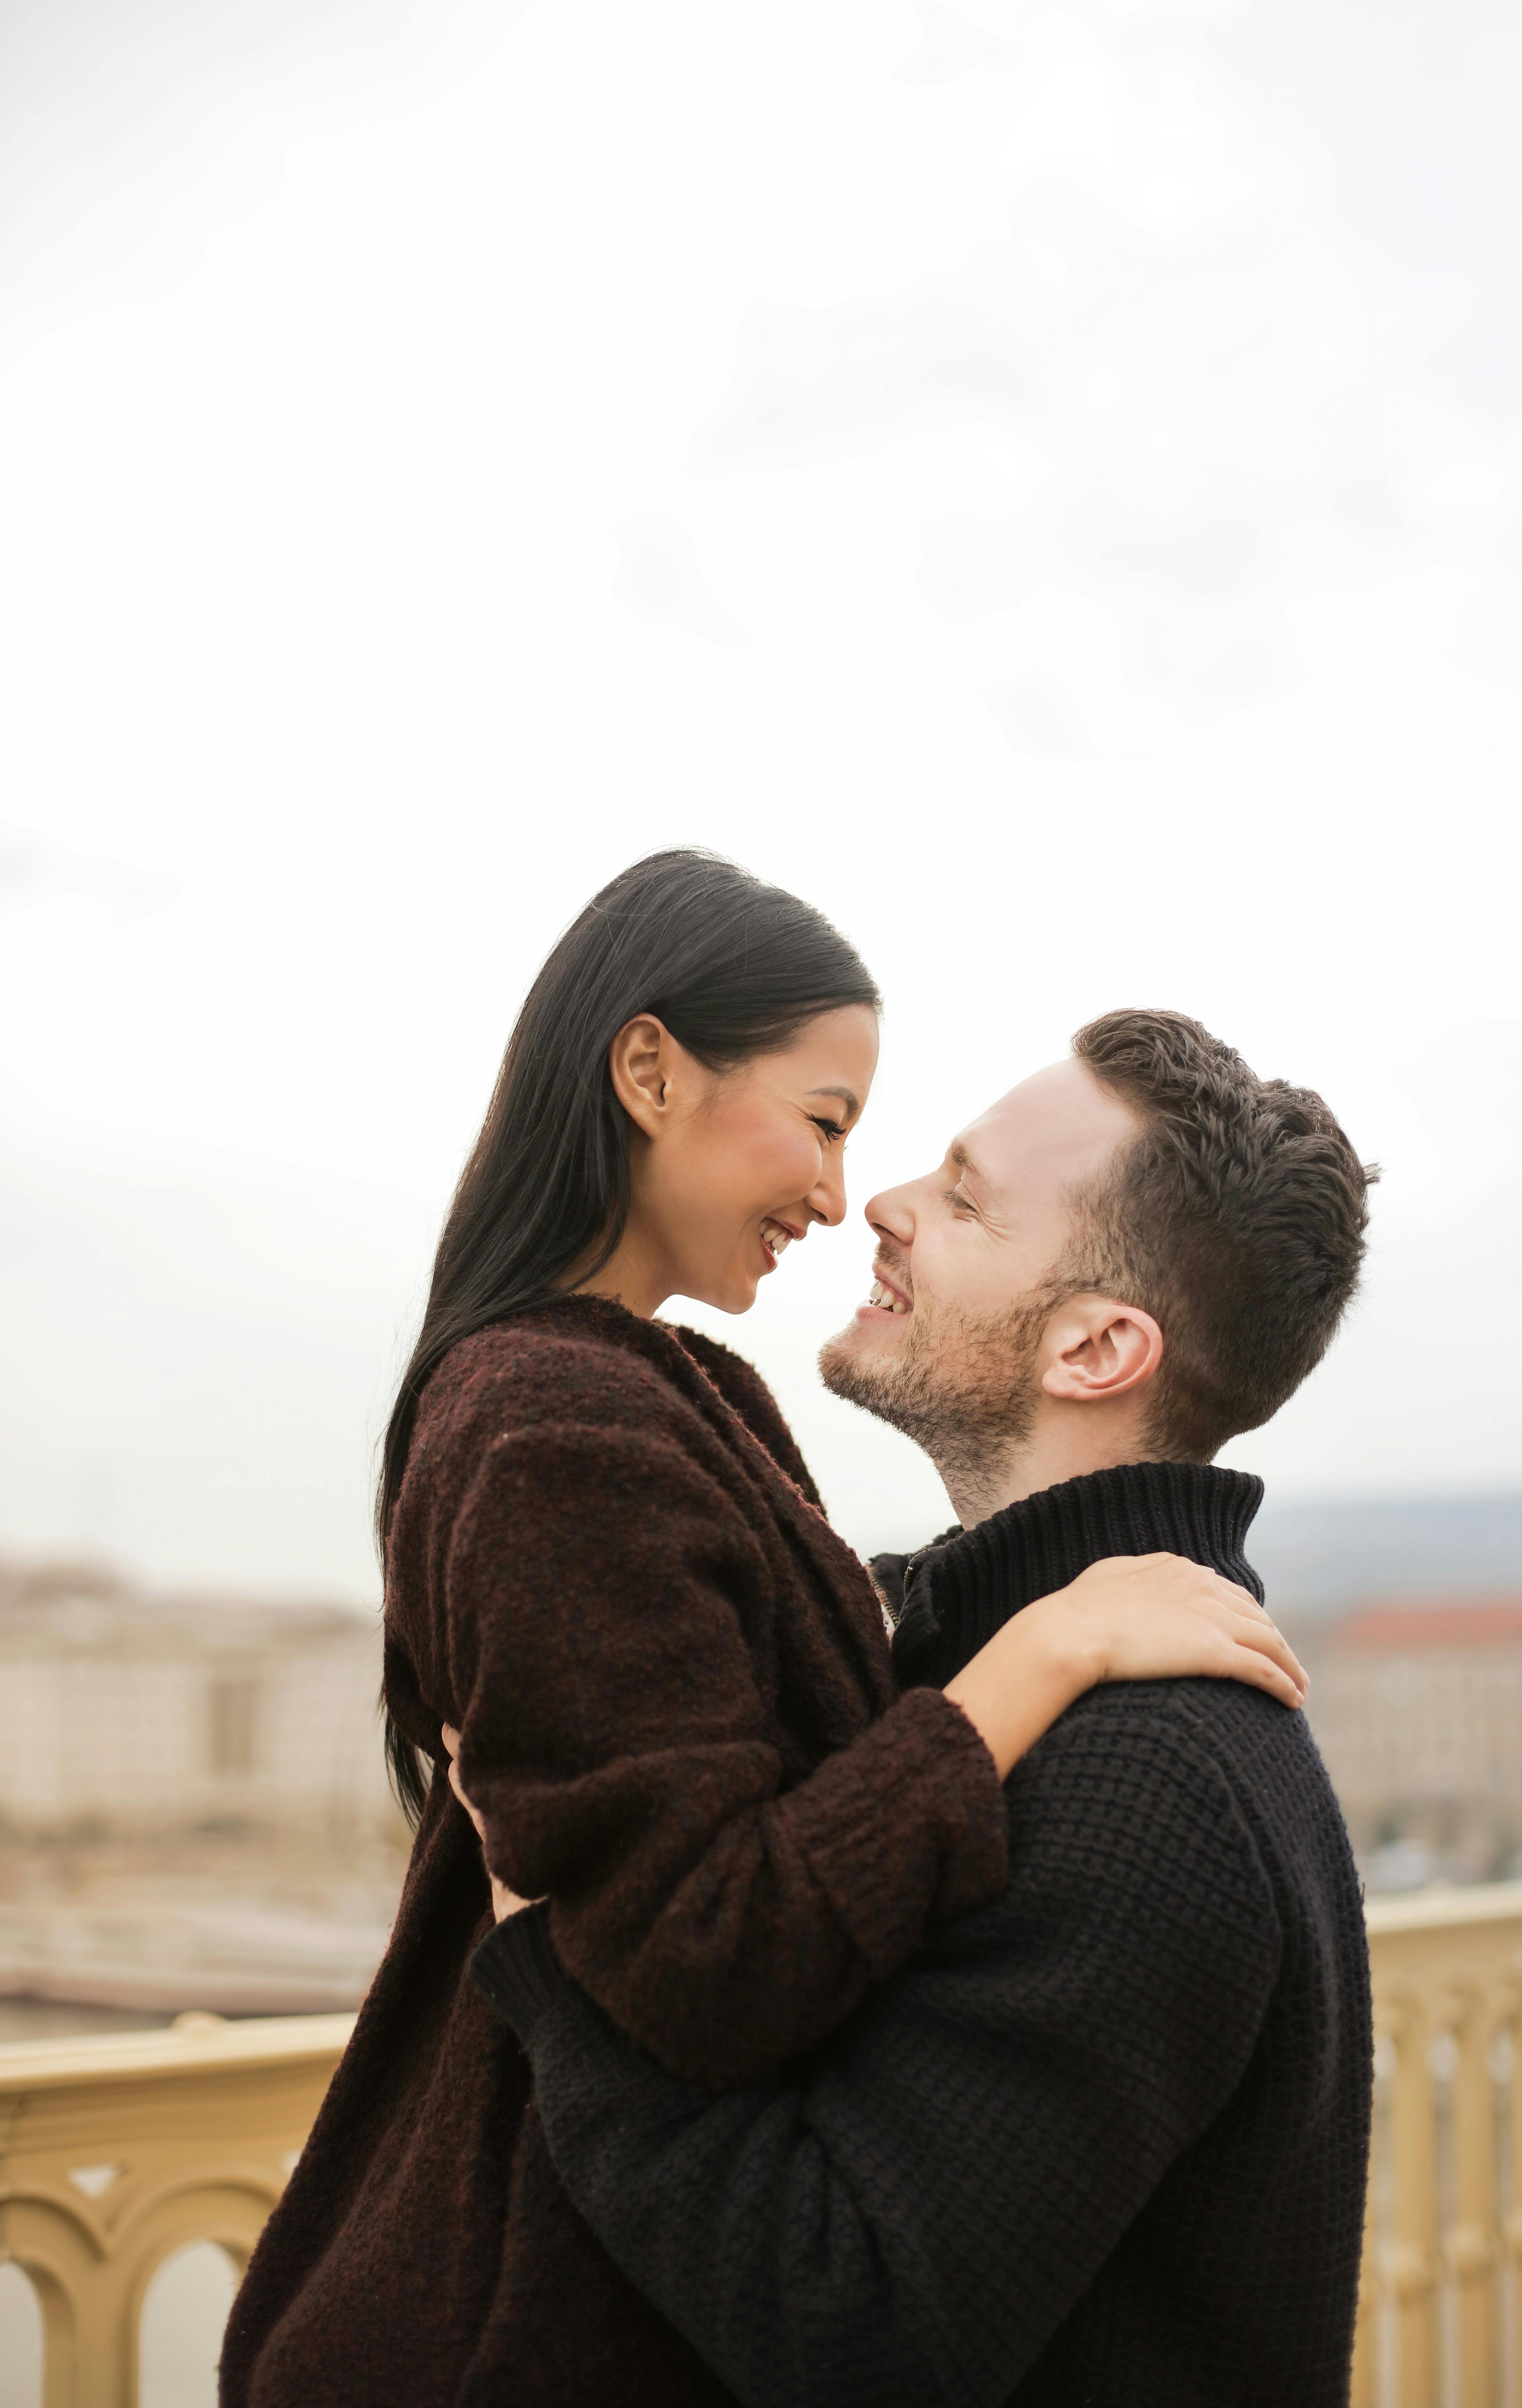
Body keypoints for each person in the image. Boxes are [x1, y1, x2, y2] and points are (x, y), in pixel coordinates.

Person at [219, 858, 1303, 2408]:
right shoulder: (545, 1423)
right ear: (649, 1071)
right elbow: (710, 1960)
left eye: (860, 1138)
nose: (840, 1189)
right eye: (829, 1117)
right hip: (516, 2332)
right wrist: (1035, 1655)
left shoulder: (680, 1397)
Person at [462, 1007, 1378, 2408]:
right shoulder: (993, 1677)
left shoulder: (1150, 1777)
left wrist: (551, 1961)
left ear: (1093, 1351)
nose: (875, 1204)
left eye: (962, 1200)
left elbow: (841, 2323)